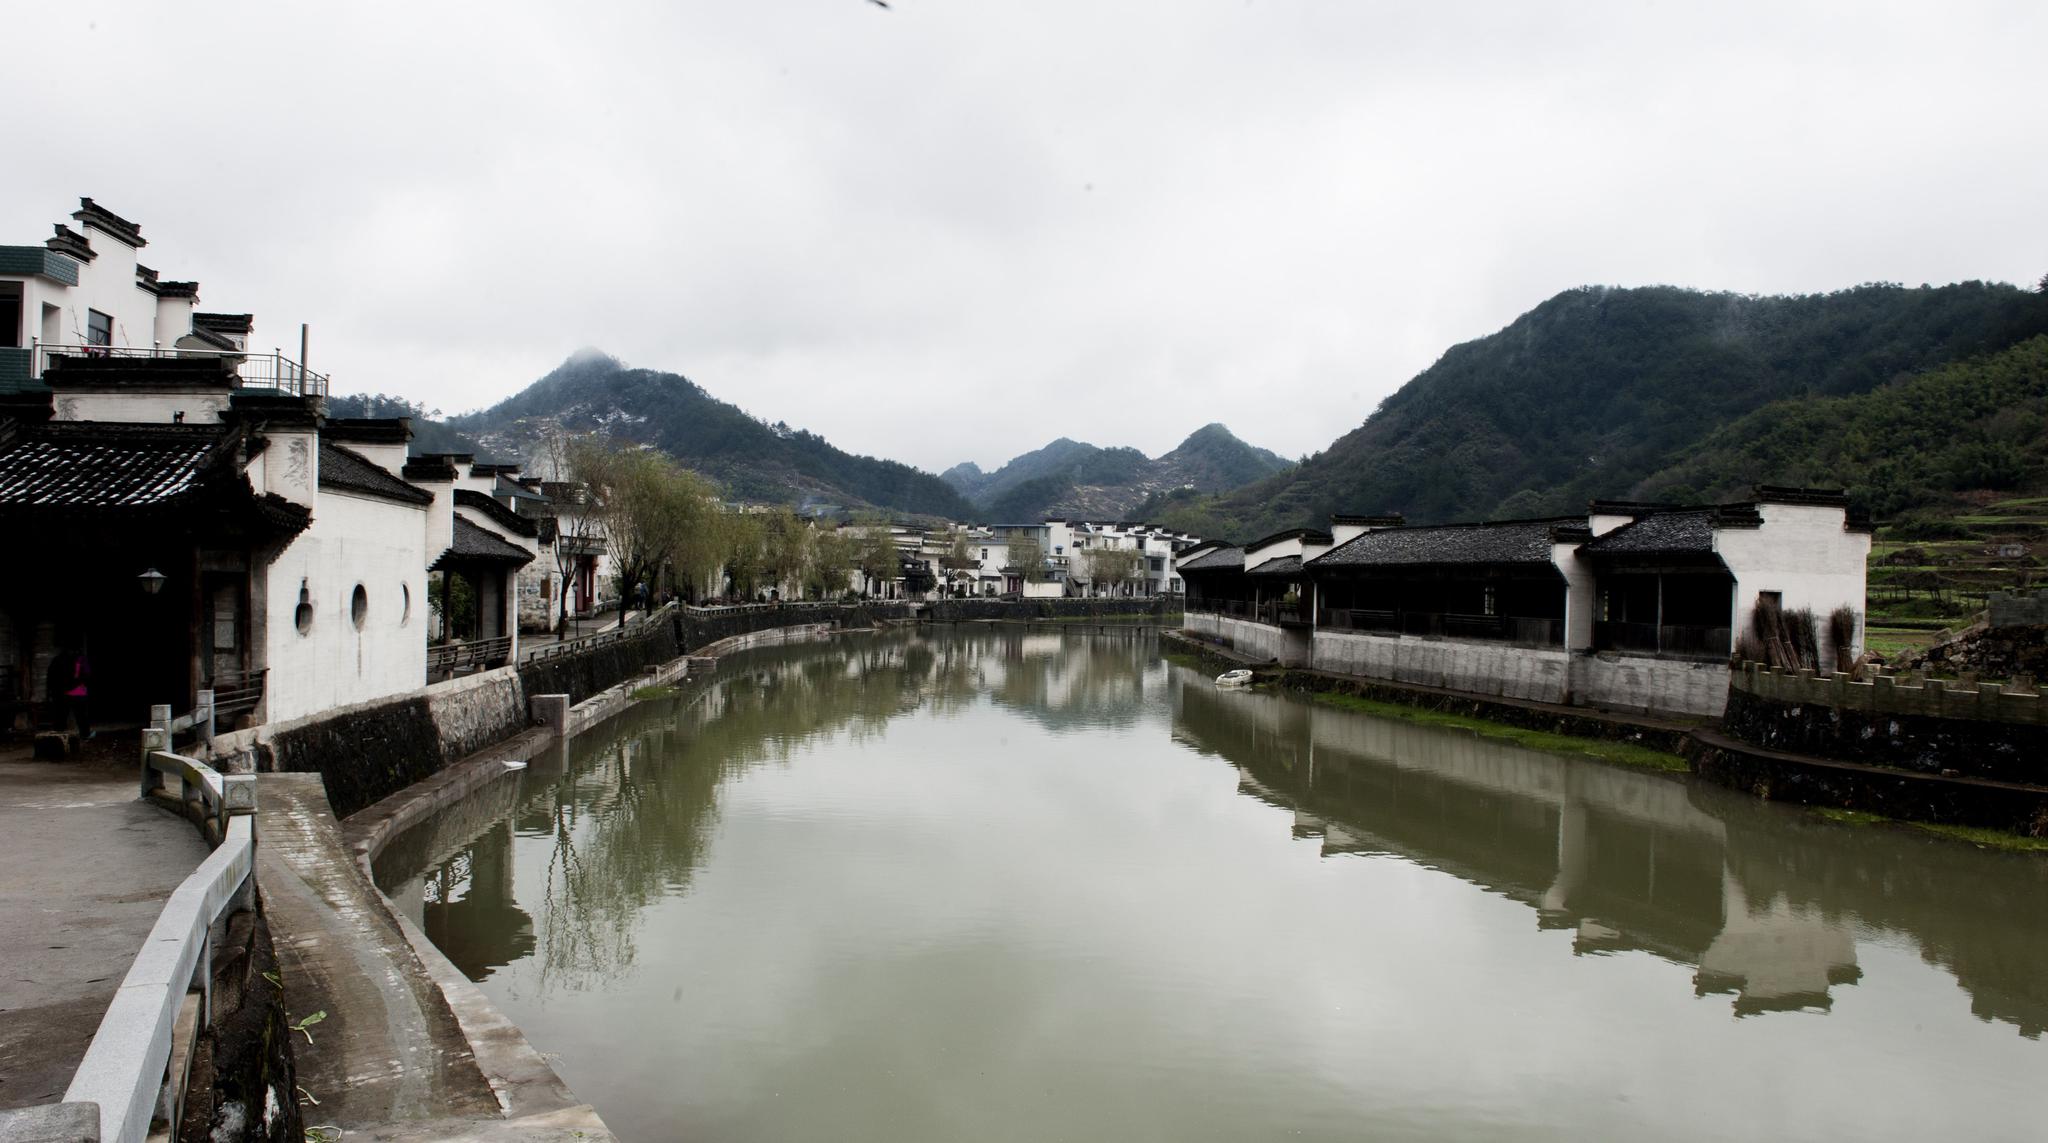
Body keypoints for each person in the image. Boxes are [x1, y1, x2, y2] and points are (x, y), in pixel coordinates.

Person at [64, 647, 91, 740]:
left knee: (66, 715)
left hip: (68, 691)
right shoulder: (82, 659)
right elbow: (87, 674)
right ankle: (85, 734)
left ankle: (62, 736)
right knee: (82, 715)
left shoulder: (66, 660)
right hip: (80, 691)